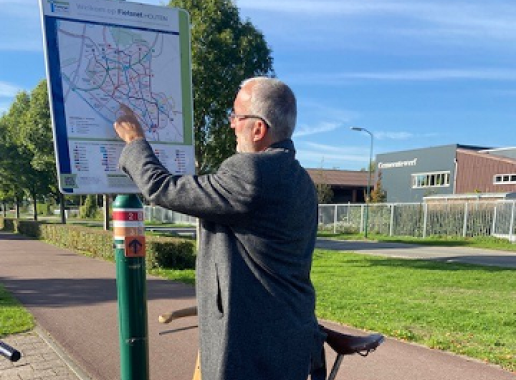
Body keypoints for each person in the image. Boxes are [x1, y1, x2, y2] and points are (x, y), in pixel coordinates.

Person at [114, 77, 325, 380]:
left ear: (258, 128)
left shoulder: (253, 172)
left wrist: (135, 142)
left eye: (236, 117)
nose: (231, 125)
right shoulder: (300, 179)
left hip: (251, 345)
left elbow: (163, 188)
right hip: (291, 334)